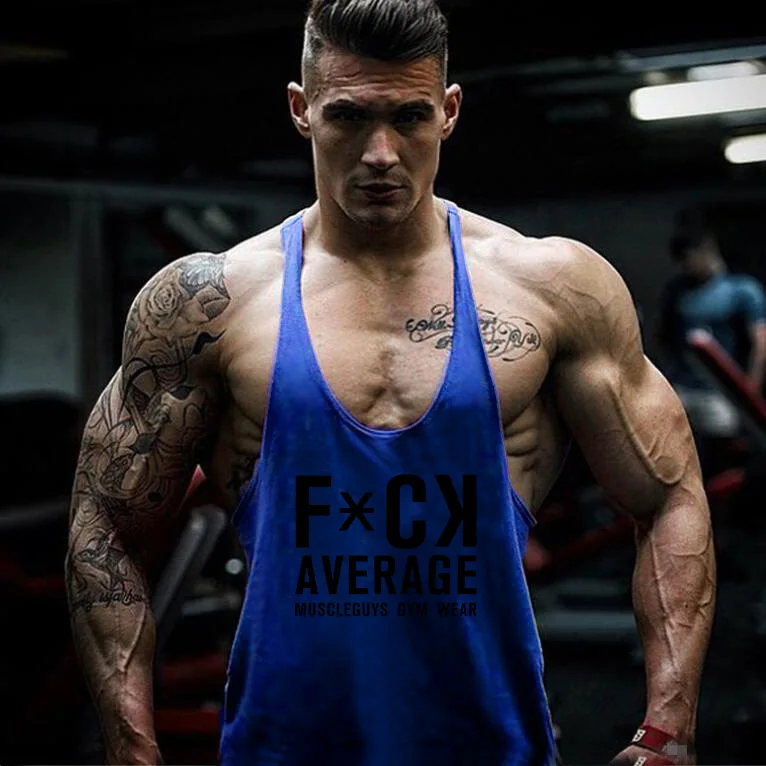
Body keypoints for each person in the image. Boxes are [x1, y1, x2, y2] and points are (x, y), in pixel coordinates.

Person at [64, 1, 715, 764]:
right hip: (284, 748)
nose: (380, 153)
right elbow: (106, 525)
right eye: (349, 117)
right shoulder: (210, 303)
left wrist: (667, 728)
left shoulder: (552, 288)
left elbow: (668, 495)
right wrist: (131, 746)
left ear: (449, 111)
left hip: (490, 745)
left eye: (409, 117)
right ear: (301, 110)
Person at [657, 226, 766, 470]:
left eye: (689, 259)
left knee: (720, 459)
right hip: (683, 390)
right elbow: (665, 338)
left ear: (707, 251)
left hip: (720, 395)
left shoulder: (741, 290)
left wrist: (749, 393)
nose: (686, 267)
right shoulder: (679, 292)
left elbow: (761, 344)